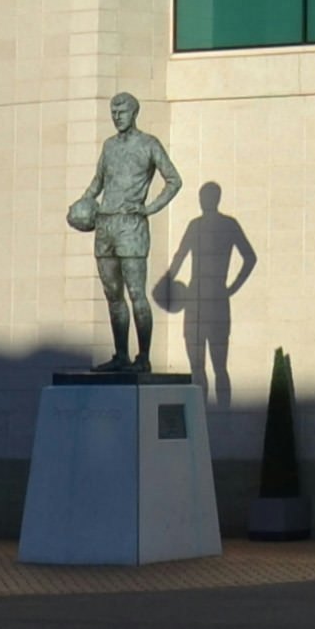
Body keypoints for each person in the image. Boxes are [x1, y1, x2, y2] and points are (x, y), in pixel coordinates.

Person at [65, 93, 183, 376]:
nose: (117, 117)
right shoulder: (109, 146)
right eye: (113, 112)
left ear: (134, 113)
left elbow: (174, 180)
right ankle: (121, 355)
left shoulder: (149, 144)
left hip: (131, 227)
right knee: (113, 295)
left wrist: (149, 208)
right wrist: (81, 204)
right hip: (105, 225)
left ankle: (143, 357)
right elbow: (97, 183)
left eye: (122, 111)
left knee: (136, 293)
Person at [167, 181, 258, 409]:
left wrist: (233, 287)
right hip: (202, 299)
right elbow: (179, 257)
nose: (203, 202)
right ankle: (204, 415)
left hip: (211, 298)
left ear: (213, 200)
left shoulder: (222, 225)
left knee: (216, 366)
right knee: (200, 367)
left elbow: (250, 257)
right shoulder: (200, 225)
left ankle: (220, 415)